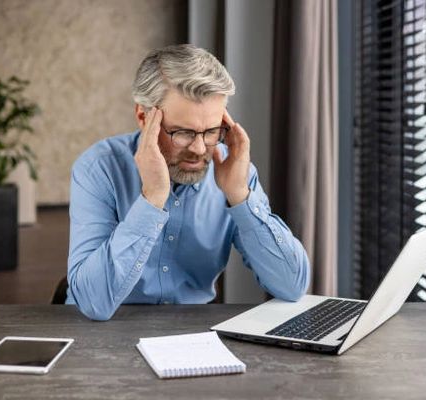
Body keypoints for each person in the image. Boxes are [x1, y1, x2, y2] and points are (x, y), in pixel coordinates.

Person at [66, 44, 310, 320]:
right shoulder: (99, 168)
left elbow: (292, 286)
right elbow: (92, 303)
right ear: (144, 117)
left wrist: (240, 195)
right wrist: (153, 198)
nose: (198, 148)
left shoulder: (234, 171)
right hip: (100, 336)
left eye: (211, 131)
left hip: (193, 338)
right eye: (183, 132)